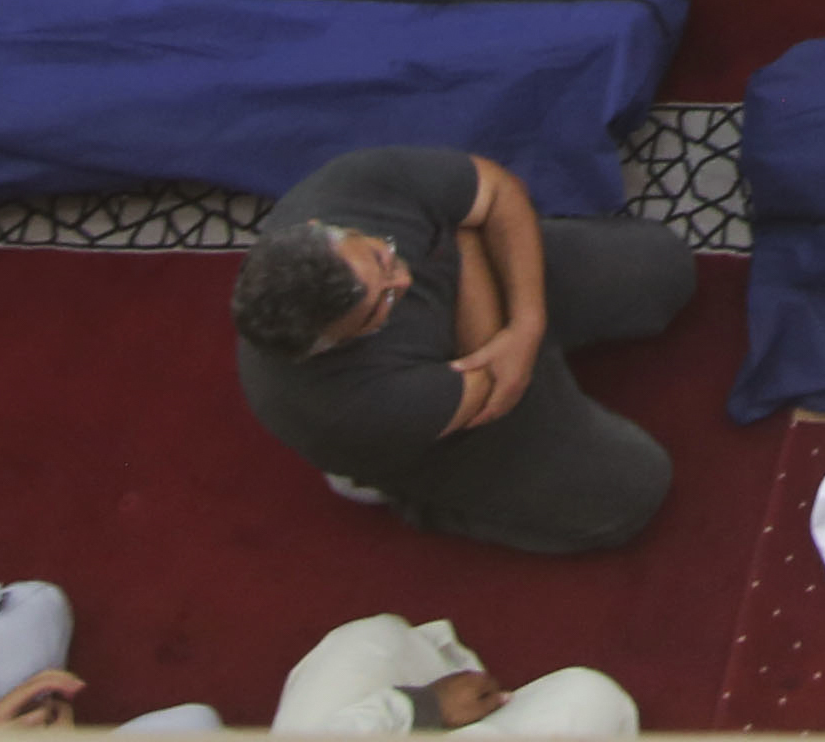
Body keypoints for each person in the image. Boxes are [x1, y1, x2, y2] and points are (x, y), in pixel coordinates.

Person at [231, 146, 688, 559]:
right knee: (631, 493)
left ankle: (541, 342)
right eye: (380, 307)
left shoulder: (340, 187)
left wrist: (527, 323)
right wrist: (464, 236)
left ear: (319, 228)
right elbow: (494, 380)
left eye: (382, 254)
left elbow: (496, 187)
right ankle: (411, 496)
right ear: (325, 345)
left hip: (474, 307)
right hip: (457, 408)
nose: (403, 280)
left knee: (665, 267)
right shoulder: (342, 406)